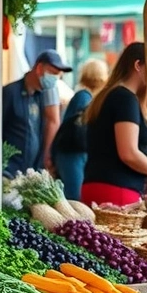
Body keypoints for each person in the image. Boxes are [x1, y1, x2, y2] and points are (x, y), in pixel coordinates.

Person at [81, 42, 147, 205]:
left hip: (97, 186)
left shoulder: (109, 96)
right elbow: (128, 153)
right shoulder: (125, 98)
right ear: (138, 65)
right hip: (117, 191)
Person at [2, 50, 71, 177]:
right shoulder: (10, 93)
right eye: (53, 74)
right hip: (8, 171)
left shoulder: (42, 97)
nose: (55, 80)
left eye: (58, 76)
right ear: (39, 68)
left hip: (31, 173)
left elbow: (52, 122)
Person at [51, 58, 109, 201]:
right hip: (72, 153)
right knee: (75, 196)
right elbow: (77, 129)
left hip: (74, 153)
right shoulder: (84, 97)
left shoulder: (86, 96)